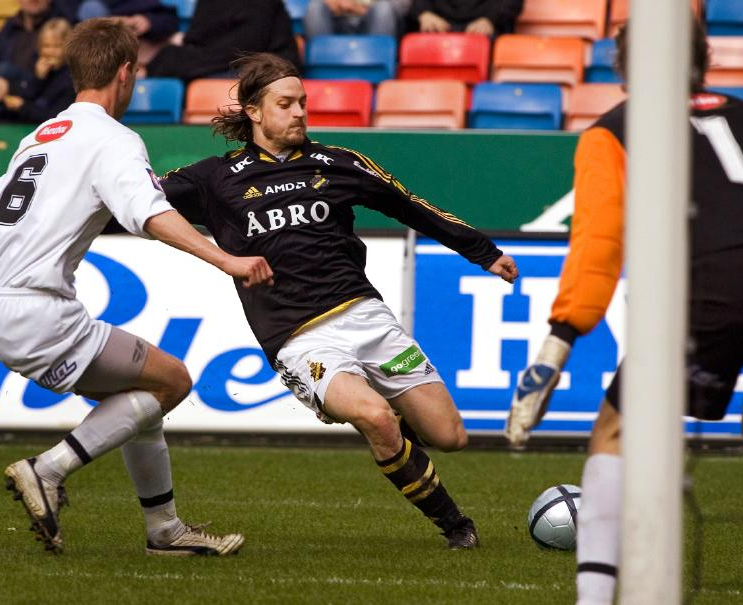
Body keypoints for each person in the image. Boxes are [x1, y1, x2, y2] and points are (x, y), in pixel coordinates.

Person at [159, 52, 518, 550]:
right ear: (254, 112)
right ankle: (456, 524)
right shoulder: (214, 178)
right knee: (374, 415)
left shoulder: (339, 162)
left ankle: (396, 445)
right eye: (286, 103)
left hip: (368, 317)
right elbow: (141, 203)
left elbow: (411, 206)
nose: (301, 112)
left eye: (303, 102)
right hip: (298, 336)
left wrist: (484, 252)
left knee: (449, 435)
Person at [506, 19, 743, 605]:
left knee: (615, 433)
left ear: (622, 68)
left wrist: (560, 340)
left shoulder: (614, 131)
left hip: (709, 284)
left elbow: (598, 244)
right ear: (705, 58)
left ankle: (594, 599)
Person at [0, 18, 273, 556]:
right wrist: (225, 258)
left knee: (137, 400)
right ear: (125, 73)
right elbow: (152, 214)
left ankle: (164, 530)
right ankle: (47, 469)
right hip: (36, 309)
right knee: (173, 381)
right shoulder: (111, 138)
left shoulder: (43, 133)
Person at [146, 0, 300, 82]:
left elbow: (247, 48)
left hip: (265, 69)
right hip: (222, 63)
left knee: (172, 63)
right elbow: (196, 38)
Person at [0, 18, 75, 123]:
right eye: (46, 46)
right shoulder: (37, 65)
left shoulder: (71, 78)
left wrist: (22, 107)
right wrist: (38, 78)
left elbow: (55, 117)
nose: (50, 52)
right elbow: (26, 95)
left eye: (57, 46)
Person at [410, 0, 524, 36]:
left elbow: (512, 3)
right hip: (437, 25)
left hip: (485, 27)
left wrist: (490, 20)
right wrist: (424, 14)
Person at [304, 0, 411, 38]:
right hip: (335, 19)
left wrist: (359, 7)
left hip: (375, 21)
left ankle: (375, 71)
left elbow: (402, 6)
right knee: (315, 7)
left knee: (383, 9)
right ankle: (321, 68)